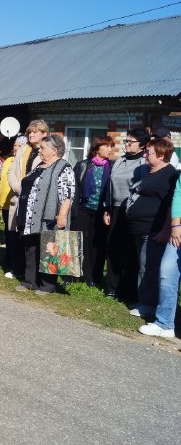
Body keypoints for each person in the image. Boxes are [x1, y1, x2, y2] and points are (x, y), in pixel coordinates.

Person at [125, 138, 178, 319]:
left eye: (149, 152)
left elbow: (171, 206)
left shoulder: (169, 175)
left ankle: (148, 305)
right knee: (143, 266)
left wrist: (165, 230)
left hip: (153, 230)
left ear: (162, 155)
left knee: (149, 268)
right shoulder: (151, 171)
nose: (145, 155)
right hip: (139, 229)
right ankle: (144, 301)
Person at [15, 134, 74, 295]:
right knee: (31, 248)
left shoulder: (63, 167)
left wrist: (62, 215)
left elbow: (67, 194)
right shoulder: (39, 165)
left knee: (49, 250)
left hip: (49, 216)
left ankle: (48, 285)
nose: (39, 150)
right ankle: (30, 281)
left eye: (43, 148)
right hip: (31, 216)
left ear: (54, 150)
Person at [103, 129, 148, 300]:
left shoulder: (144, 162)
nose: (127, 144)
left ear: (142, 144)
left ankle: (128, 290)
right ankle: (111, 288)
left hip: (132, 210)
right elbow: (110, 185)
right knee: (114, 247)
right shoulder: (120, 160)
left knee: (129, 251)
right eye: (126, 141)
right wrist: (107, 208)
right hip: (115, 208)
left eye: (131, 141)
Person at [140, 172, 181, 339]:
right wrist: (176, 225)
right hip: (178, 230)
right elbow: (178, 194)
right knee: (166, 273)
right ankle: (165, 324)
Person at [7, 120, 49, 280]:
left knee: (31, 237)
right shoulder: (23, 149)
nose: (31, 135)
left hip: (34, 201)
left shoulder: (47, 151)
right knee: (17, 235)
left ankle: (31, 272)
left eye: (35, 132)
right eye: (29, 132)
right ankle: (16, 267)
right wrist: (16, 185)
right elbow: (11, 170)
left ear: (44, 134)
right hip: (18, 196)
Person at [71, 136, 113, 288]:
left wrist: (108, 210)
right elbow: (74, 190)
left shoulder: (112, 167)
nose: (110, 149)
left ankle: (92, 277)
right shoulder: (83, 165)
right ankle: (71, 274)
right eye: (107, 146)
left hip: (101, 212)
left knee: (96, 245)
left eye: (111, 146)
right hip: (82, 209)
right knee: (75, 240)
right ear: (97, 148)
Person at [0, 136, 26, 278]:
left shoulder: (23, 162)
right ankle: (7, 259)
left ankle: (14, 263)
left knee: (15, 236)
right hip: (5, 202)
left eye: (20, 145)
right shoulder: (8, 161)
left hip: (15, 204)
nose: (16, 148)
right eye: (15, 145)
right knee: (8, 235)